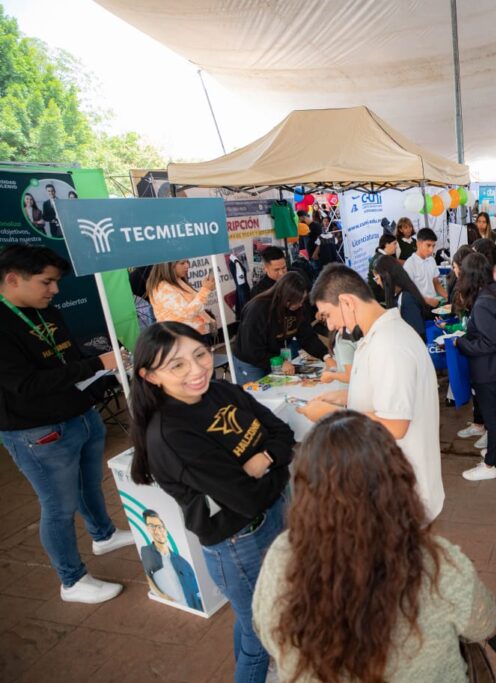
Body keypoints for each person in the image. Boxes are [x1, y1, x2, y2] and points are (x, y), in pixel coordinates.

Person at [252, 411, 496, 682]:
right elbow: (484, 624)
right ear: (398, 481)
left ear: (306, 491)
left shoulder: (281, 555)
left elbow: (267, 631)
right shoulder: (442, 564)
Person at [129, 322, 294, 683]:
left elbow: (284, 434)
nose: (197, 370)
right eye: (177, 365)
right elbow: (246, 498)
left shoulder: (221, 390)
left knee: (253, 618)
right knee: (260, 635)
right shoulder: (171, 434)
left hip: (272, 515)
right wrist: (276, 466)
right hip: (239, 542)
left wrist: (264, 460)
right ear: (151, 376)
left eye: (200, 354)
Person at [0, 245, 134, 603]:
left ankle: (103, 534)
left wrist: (103, 363)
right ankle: (72, 580)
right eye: (47, 282)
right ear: (13, 279)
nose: (54, 290)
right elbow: (25, 385)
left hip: (80, 414)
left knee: (90, 485)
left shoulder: (47, 310)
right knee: (58, 506)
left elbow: (69, 357)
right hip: (37, 432)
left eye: (56, 282)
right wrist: (94, 365)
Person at [301, 265, 445, 522]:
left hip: (400, 497)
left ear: (346, 301)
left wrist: (331, 415)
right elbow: (385, 396)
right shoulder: (379, 337)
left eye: (327, 315)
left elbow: (395, 424)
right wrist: (345, 398)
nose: (331, 325)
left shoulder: (388, 344)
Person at [454, 253, 496, 481]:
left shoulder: (483, 302)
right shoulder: (493, 291)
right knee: (495, 412)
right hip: (493, 366)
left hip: (487, 368)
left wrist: (461, 342)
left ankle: (490, 465)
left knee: (491, 415)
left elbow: (490, 341)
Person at [234, 272, 330, 383]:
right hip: (250, 362)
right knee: (255, 396)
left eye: (302, 300)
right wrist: (280, 362)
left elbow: (307, 336)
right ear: (285, 297)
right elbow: (251, 350)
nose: (300, 304)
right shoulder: (258, 310)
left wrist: (325, 356)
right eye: (298, 301)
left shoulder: (298, 307)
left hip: (273, 357)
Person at [140, 509, 203, 611]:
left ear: (166, 531)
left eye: (159, 527)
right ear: (147, 528)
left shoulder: (183, 562)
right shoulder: (147, 552)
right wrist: (162, 596)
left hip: (191, 607)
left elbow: (196, 593)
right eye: (151, 526)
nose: (157, 531)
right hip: (171, 608)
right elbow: (147, 575)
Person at [147, 260, 216, 342]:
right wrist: (205, 290)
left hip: (193, 334)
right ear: (168, 266)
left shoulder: (178, 280)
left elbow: (193, 306)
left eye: (187, 262)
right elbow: (185, 314)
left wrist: (209, 320)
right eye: (182, 263)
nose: (187, 265)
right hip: (183, 338)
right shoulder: (162, 288)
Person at [373, 254, 431, 340]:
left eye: (377, 278)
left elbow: (418, 335)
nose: (377, 283)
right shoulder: (398, 296)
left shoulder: (406, 299)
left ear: (386, 276)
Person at [403, 228, 447, 307]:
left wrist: (448, 297)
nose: (431, 250)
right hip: (418, 306)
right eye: (428, 245)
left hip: (434, 304)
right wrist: (427, 300)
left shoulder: (431, 260)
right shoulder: (410, 264)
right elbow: (408, 292)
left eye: (433, 246)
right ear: (418, 244)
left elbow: (436, 283)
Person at [368, 233, 398, 302]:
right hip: (380, 298)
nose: (396, 247)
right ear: (387, 244)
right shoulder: (379, 260)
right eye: (394, 244)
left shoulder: (382, 257)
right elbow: (383, 283)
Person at [227, 251, 251, 318]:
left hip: (241, 286)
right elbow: (241, 278)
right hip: (242, 286)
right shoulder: (235, 263)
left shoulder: (235, 262)